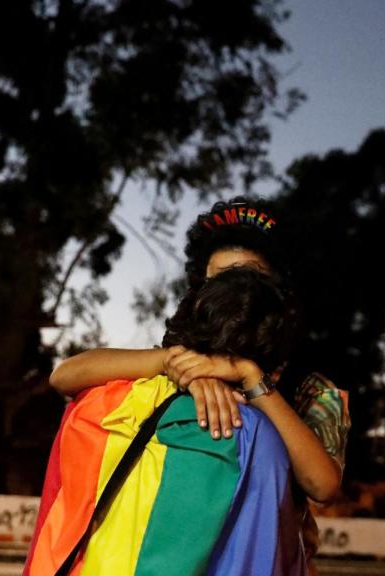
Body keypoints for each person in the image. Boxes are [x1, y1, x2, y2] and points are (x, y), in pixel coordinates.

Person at [49, 197, 350, 572]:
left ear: (278, 288)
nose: (235, 286)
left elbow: (322, 485)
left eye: (251, 273)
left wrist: (249, 376)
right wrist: (176, 364)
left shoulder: (309, 388)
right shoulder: (176, 363)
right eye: (219, 276)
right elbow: (65, 375)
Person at [26, 266, 308, 575]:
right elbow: (259, 557)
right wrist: (249, 377)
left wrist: (173, 362)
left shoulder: (99, 401)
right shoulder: (252, 435)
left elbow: (63, 376)